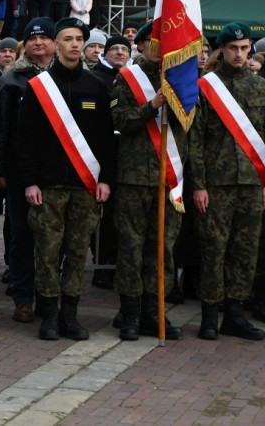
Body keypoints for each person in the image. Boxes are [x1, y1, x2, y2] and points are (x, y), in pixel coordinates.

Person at [17, 17, 115, 341]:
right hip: (48, 186)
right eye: (68, 39)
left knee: (76, 252)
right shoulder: (38, 88)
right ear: (56, 44)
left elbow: (105, 140)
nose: (75, 44)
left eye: (79, 39)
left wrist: (106, 179)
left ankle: (70, 315)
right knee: (46, 252)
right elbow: (26, 140)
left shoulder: (98, 87)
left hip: (86, 187)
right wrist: (30, 181)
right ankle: (48, 315)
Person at [190, 22, 265, 341]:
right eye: (232, 48)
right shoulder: (206, 86)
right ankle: (210, 315)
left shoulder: (260, 87)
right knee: (213, 249)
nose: (238, 53)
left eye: (244, 47)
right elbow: (194, 140)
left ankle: (235, 314)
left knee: (245, 251)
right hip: (216, 183)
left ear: (250, 49)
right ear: (221, 49)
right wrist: (199, 184)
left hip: (251, 182)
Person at [111, 22, 186, 341]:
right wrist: (151, 106)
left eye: (164, 43)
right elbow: (119, 121)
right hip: (134, 177)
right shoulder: (127, 78)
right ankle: (129, 312)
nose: (159, 49)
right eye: (153, 43)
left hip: (169, 177)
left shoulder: (180, 79)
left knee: (163, 248)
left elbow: (191, 131)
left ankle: (154, 311)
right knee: (131, 246)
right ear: (140, 45)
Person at [0, 17, 56, 324]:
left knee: (54, 240)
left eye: (44, 37)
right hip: (19, 173)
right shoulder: (12, 79)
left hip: (57, 174)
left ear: (54, 43)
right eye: (32, 38)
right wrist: (0, 168)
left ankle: (48, 296)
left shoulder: (68, 75)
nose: (38, 42)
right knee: (21, 237)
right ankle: (22, 298)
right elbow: (1, 128)